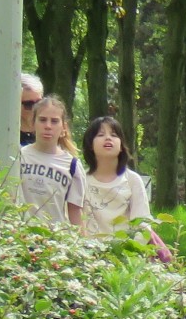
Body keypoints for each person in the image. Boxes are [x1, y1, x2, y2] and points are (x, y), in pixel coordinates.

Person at [77, 115, 173, 261]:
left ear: (121, 145)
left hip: (127, 258)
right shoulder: (81, 180)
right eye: (101, 135)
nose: (108, 138)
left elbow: (142, 223)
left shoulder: (132, 180)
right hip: (90, 258)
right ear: (90, 144)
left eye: (114, 135)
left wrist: (129, 253)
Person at [14, 94, 83, 228]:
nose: (48, 126)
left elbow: (75, 213)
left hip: (54, 241)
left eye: (54, 121)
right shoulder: (18, 156)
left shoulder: (72, 165)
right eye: (42, 120)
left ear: (63, 127)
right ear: (33, 123)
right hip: (19, 237)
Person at [19, 72, 42, 146]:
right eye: (28, 104)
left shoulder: (52, 132)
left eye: (39, 102)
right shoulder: (6, 135)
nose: (35, 108)